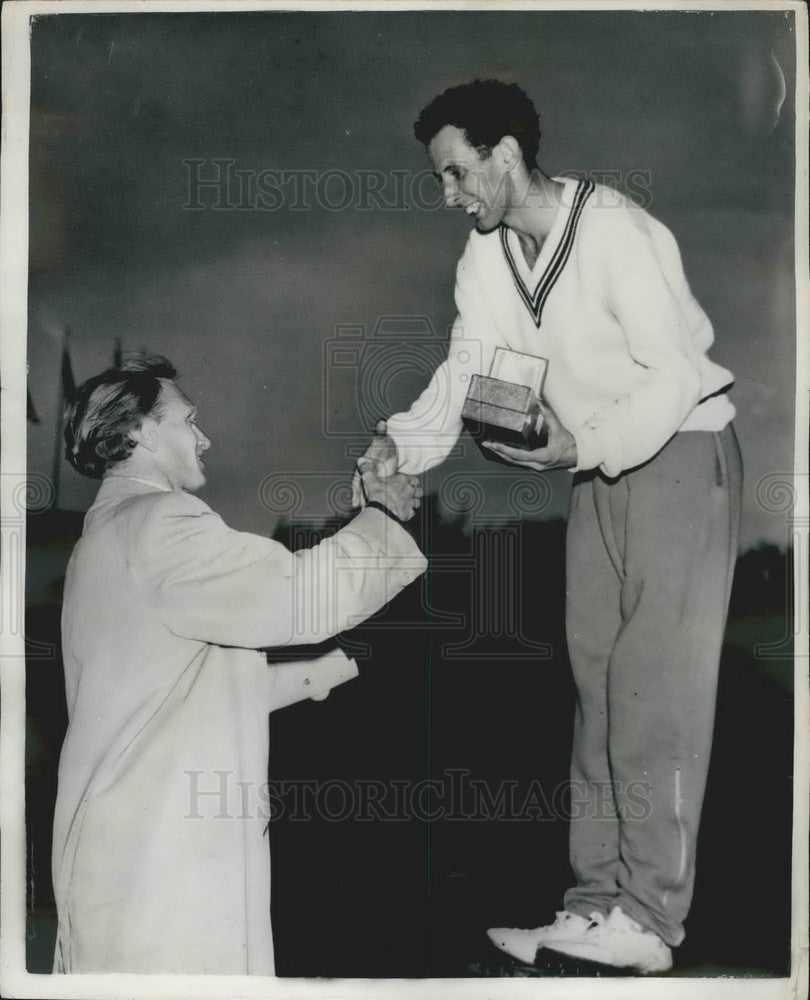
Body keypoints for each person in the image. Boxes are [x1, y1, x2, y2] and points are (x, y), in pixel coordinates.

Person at [356, 79, 742, 974]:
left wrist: (581, 443)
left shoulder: (618, 232)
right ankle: (596, 905)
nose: (449, 195)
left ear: (506, 155)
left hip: (680, 456)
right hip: (600, 470)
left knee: (658, 700)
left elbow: (675, 374)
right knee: (598, 694)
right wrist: (398, 447)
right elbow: (469, 374)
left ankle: (649, 921)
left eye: (457, 174)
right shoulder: (486, 258)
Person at [52, 355, 426, 974]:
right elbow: (299, 595)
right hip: (161, 867)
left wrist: (340, 664)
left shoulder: (105, 536)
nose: (203, 437)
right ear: (141, 430)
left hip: (131, 858)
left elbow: (190, 690)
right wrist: (380, 517)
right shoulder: (160, 524)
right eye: (187, 420)